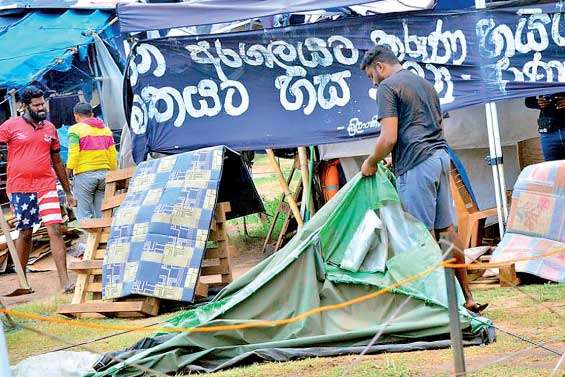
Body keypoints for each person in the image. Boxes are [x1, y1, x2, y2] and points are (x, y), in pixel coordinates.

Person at [359, 45, 485, 313]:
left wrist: (371, 162)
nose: (374, 82)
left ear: (380, 66)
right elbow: (432, 127)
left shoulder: (388, 87)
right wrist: (399, 156)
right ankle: (467, 297)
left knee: (420, 235)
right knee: (447, 231)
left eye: (372, 76)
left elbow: (388, 137)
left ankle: (435, 305)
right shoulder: (424, 83)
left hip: (417, 165)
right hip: (440, 158)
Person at [0, 86, 76, 292]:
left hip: (46, 186)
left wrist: (68, 192)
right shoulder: (10, 126)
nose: (42, 107)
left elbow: (57, 161)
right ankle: (23, 283)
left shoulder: (50, 128)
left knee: (55, 230)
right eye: (37, 105)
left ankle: (64, 283)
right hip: (20, 188)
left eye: (43, 103)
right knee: (25, 233)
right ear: (25, 106)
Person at [67, 102, 117, 220]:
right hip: (104, 175)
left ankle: (92, 238)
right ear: (92, 114)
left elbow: (73, 154)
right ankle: (104, 237)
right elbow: (112, 155)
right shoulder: (106, 130)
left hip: (84, 176)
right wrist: (114, 174)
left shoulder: (75, 130)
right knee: (103, 214)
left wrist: (67, 173)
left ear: (76, 116)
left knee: (84, 215)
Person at [525, 93, 565, 161]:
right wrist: (538, 103)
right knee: (552, 169)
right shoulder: (538, 82)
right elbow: (528, 101)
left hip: (548, 132)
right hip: (548, 133)